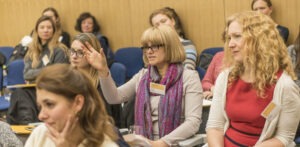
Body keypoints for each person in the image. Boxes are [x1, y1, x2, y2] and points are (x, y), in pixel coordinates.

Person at [83, 25, 203, 146]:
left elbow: (193, 122)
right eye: (146, 47)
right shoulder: (143, 76)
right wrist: (103, 70)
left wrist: (162, 143)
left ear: (170, 47)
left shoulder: (188, 77)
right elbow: (114, 97)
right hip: (143, 142)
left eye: (155, 46)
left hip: (172, 143)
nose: (149, 51)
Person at [206, 11, 300, 147]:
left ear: (259, 40)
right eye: (229, 38)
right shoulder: (226, 77)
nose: (230, 44)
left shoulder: (285, 86)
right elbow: (215, 126)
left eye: (237, 37)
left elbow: (284, 137)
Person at [24, 64, 124, 147]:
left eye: (50, 104)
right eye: (40, 107)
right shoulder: (40, 134)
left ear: (78, 103)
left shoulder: (106, 145)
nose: (41, 116)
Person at [7, 15, 69, 125]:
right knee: (18, 93)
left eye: (49, 27)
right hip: (34, 88)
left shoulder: (59, 50)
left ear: (54, 30)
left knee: (22, 95)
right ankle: (22, 125)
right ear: (37, 30)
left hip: (53, 89)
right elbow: (26, 74)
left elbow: (58, 73)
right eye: (42, 27)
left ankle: (28, 124)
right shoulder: (32, 50)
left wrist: (37, 73)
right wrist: (47, 69)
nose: (45, 30)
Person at [70, 33, 121, 127]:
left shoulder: (103, 86)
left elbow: (108, 122)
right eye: (72, 51)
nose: (74, 56)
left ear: (93, 54)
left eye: (80, 52)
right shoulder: (67, 81)